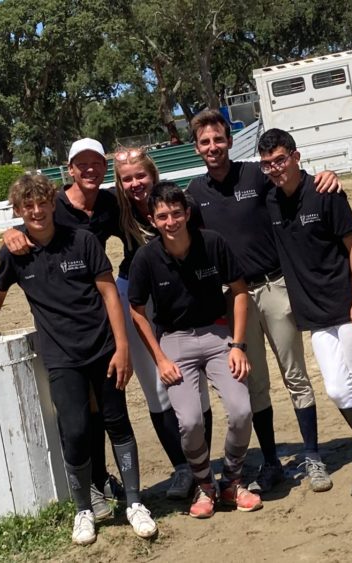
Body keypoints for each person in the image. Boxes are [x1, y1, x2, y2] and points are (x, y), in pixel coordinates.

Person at [3, 139, 208, 511]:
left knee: (178, 380)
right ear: (70, 169)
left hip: (158, 294)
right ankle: (100, 480)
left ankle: (197, 469)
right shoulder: (57, 205)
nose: (90, 170)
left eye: (96, 163)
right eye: (82, 164)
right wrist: (10, 231)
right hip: (90, 315)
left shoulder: (116, 202)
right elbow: (31, 220)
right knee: (100, 404)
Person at [0, 174, 158, 544]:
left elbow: (109, 294)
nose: (37, 211)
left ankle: (134, 502)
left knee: (117, 422)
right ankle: (83, 509)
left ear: (52, 203)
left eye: (42, 203)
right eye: (28, 206)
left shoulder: (82, 241)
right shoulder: (14, 253)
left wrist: (122, 348)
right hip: (61, 357)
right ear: (18, 211)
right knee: (75, 430)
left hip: (103, 349)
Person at [186, 109, 339, 494]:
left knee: (295, 375)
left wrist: (325, 176)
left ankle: (312, 456)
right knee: (254, 383)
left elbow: (294, 182)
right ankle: (271, 462)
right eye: (205, 142)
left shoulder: (255, 174)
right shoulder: (195, 194)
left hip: (275, 287)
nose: (213, 147)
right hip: (236, 298)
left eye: (218, 139)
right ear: (197, 147)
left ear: (229, 140)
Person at [258, 128, 352, 502]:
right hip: (314, 312)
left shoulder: (325, 192)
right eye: (267, 164)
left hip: (347, 302)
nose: (275, 169)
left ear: (296, 157)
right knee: (338, 388)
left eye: (280, 160)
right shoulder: (270, 200)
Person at [128, 182, 263, 519]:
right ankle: (205, 485)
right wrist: (160, 359)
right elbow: (137, 311)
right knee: (189, 422)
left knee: (241, 410)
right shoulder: (146, 258)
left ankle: (231, 481)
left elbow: (239, 291)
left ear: (187, 213)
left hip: (218, 335)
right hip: (175, 341)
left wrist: (238, 345)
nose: (171, 221)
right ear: (152, 220)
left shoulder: (212, 242)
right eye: (163, 216)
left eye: (176, 213)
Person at [112, 147, 212, 499]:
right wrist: (17, 231)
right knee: (156, 386)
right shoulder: (116, 208)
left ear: (153, 174)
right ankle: (182, 468)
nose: (135, 183)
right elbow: (67, 210)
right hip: (137, 295)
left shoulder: (179, 203)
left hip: (179, 290)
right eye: (127, 179)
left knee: (191, 378)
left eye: (141, 175)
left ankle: (203, 465)